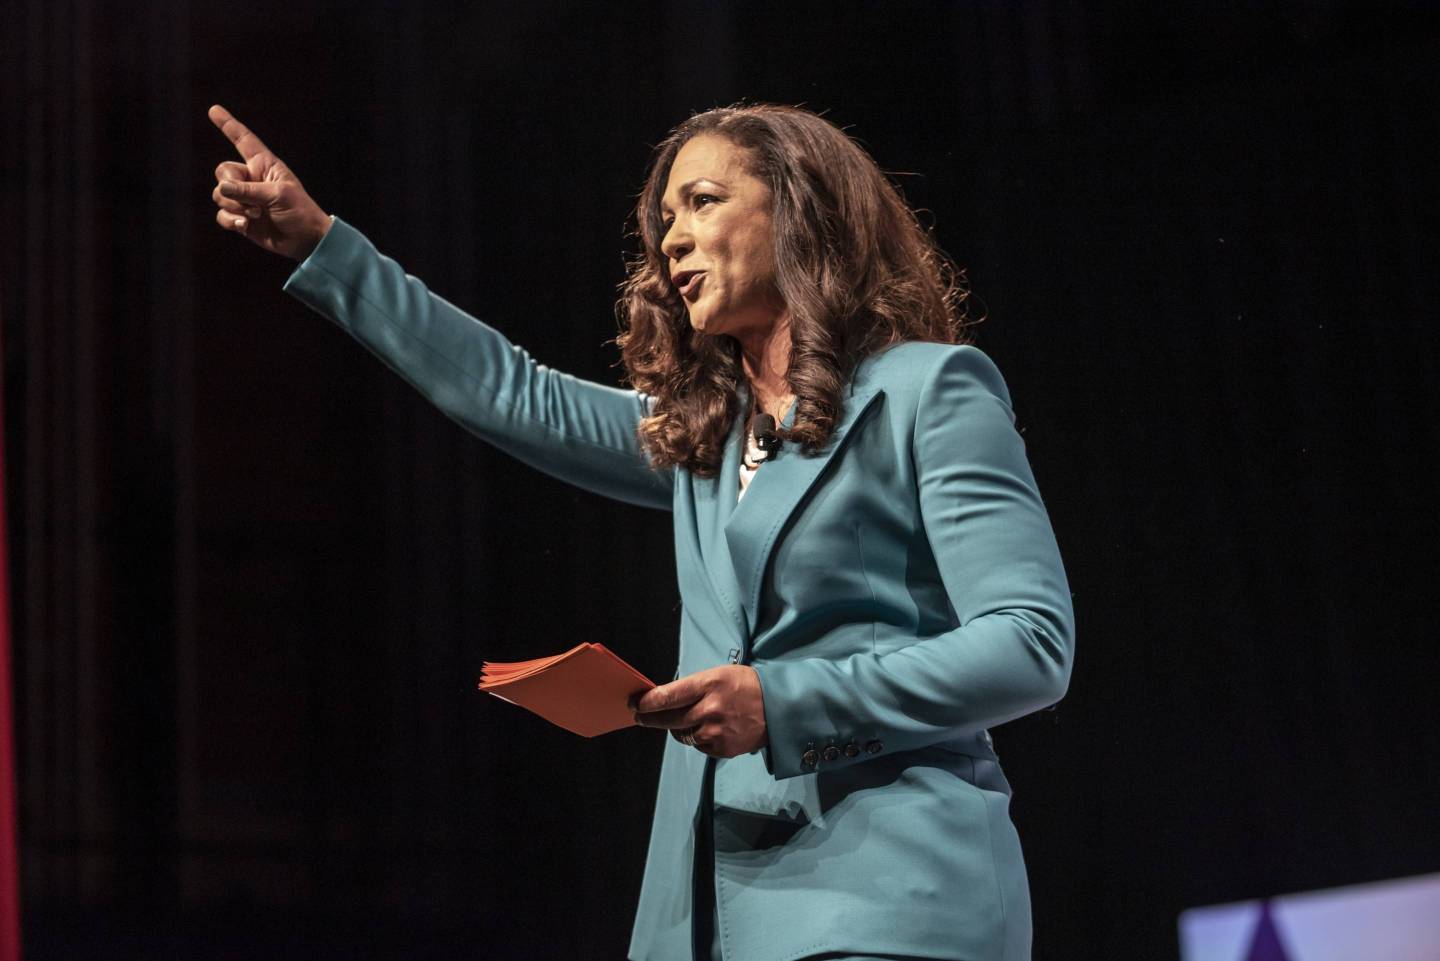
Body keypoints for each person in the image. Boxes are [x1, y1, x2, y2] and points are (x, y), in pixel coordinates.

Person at [209, 101, 1075, 961]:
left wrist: (784, 703)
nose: (672, 241)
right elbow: (514, 392)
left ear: (798, 212)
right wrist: (325, 248)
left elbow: (1030, 642)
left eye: (702, 202)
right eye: (665, 220)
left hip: (892, 897)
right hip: (707, 914)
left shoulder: (929, 390)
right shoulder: (706, 440)